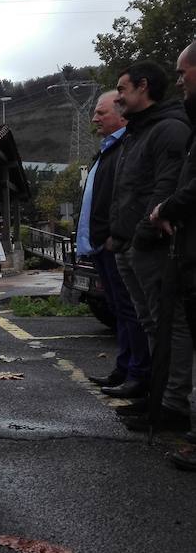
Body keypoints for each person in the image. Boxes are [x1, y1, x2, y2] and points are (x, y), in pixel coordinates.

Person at [106, 61, 192, 423]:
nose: (119, 98)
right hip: (130, 244)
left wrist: (141, 234)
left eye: (122, 90)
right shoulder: (139, 132)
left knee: (168, 324)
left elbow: (164, 185)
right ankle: (159, 396)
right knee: (151, 324)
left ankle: (173, 403)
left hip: (150, 245)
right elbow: (128, 190)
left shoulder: (168, 129)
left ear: (143, 87)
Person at [80, 92, 151, 394]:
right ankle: (124, 369)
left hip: (114, 243)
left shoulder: (126, 146)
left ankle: (138, 374)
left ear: (121, 114)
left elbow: (127, 195)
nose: (94, 118)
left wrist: (114, 234)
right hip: (102, 244)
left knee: (130, 310)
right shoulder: (110, 149)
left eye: (101, 112)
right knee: (120, 310)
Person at [149, 42, 196, 466]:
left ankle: (172, 404)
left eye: (184, 72)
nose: (179, 79)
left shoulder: (173, 127)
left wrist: (166, 208)